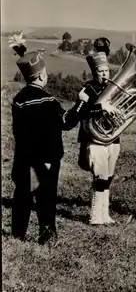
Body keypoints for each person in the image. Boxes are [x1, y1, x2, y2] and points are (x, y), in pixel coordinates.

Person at [10, 39, 86, 245]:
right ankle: (47, 235)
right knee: (46, 198)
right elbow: (66, 123)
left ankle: (17, 235)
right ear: (42, 75)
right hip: (45, 160)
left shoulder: (18, 100)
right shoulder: (49, 102)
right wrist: (80, 102)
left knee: (22, 197)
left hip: (23, 158)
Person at [76, 38, 122, 225]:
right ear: (94, 72)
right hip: (94, 139)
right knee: (100, 176)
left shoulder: (114, 88)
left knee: (108, 177)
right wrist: (101, 107)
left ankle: (105, 214)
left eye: (106, 71)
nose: (104, 74)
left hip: (113, 138)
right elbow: (82, 112)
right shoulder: (87, 89)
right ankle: (95, 216)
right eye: (100, 71)